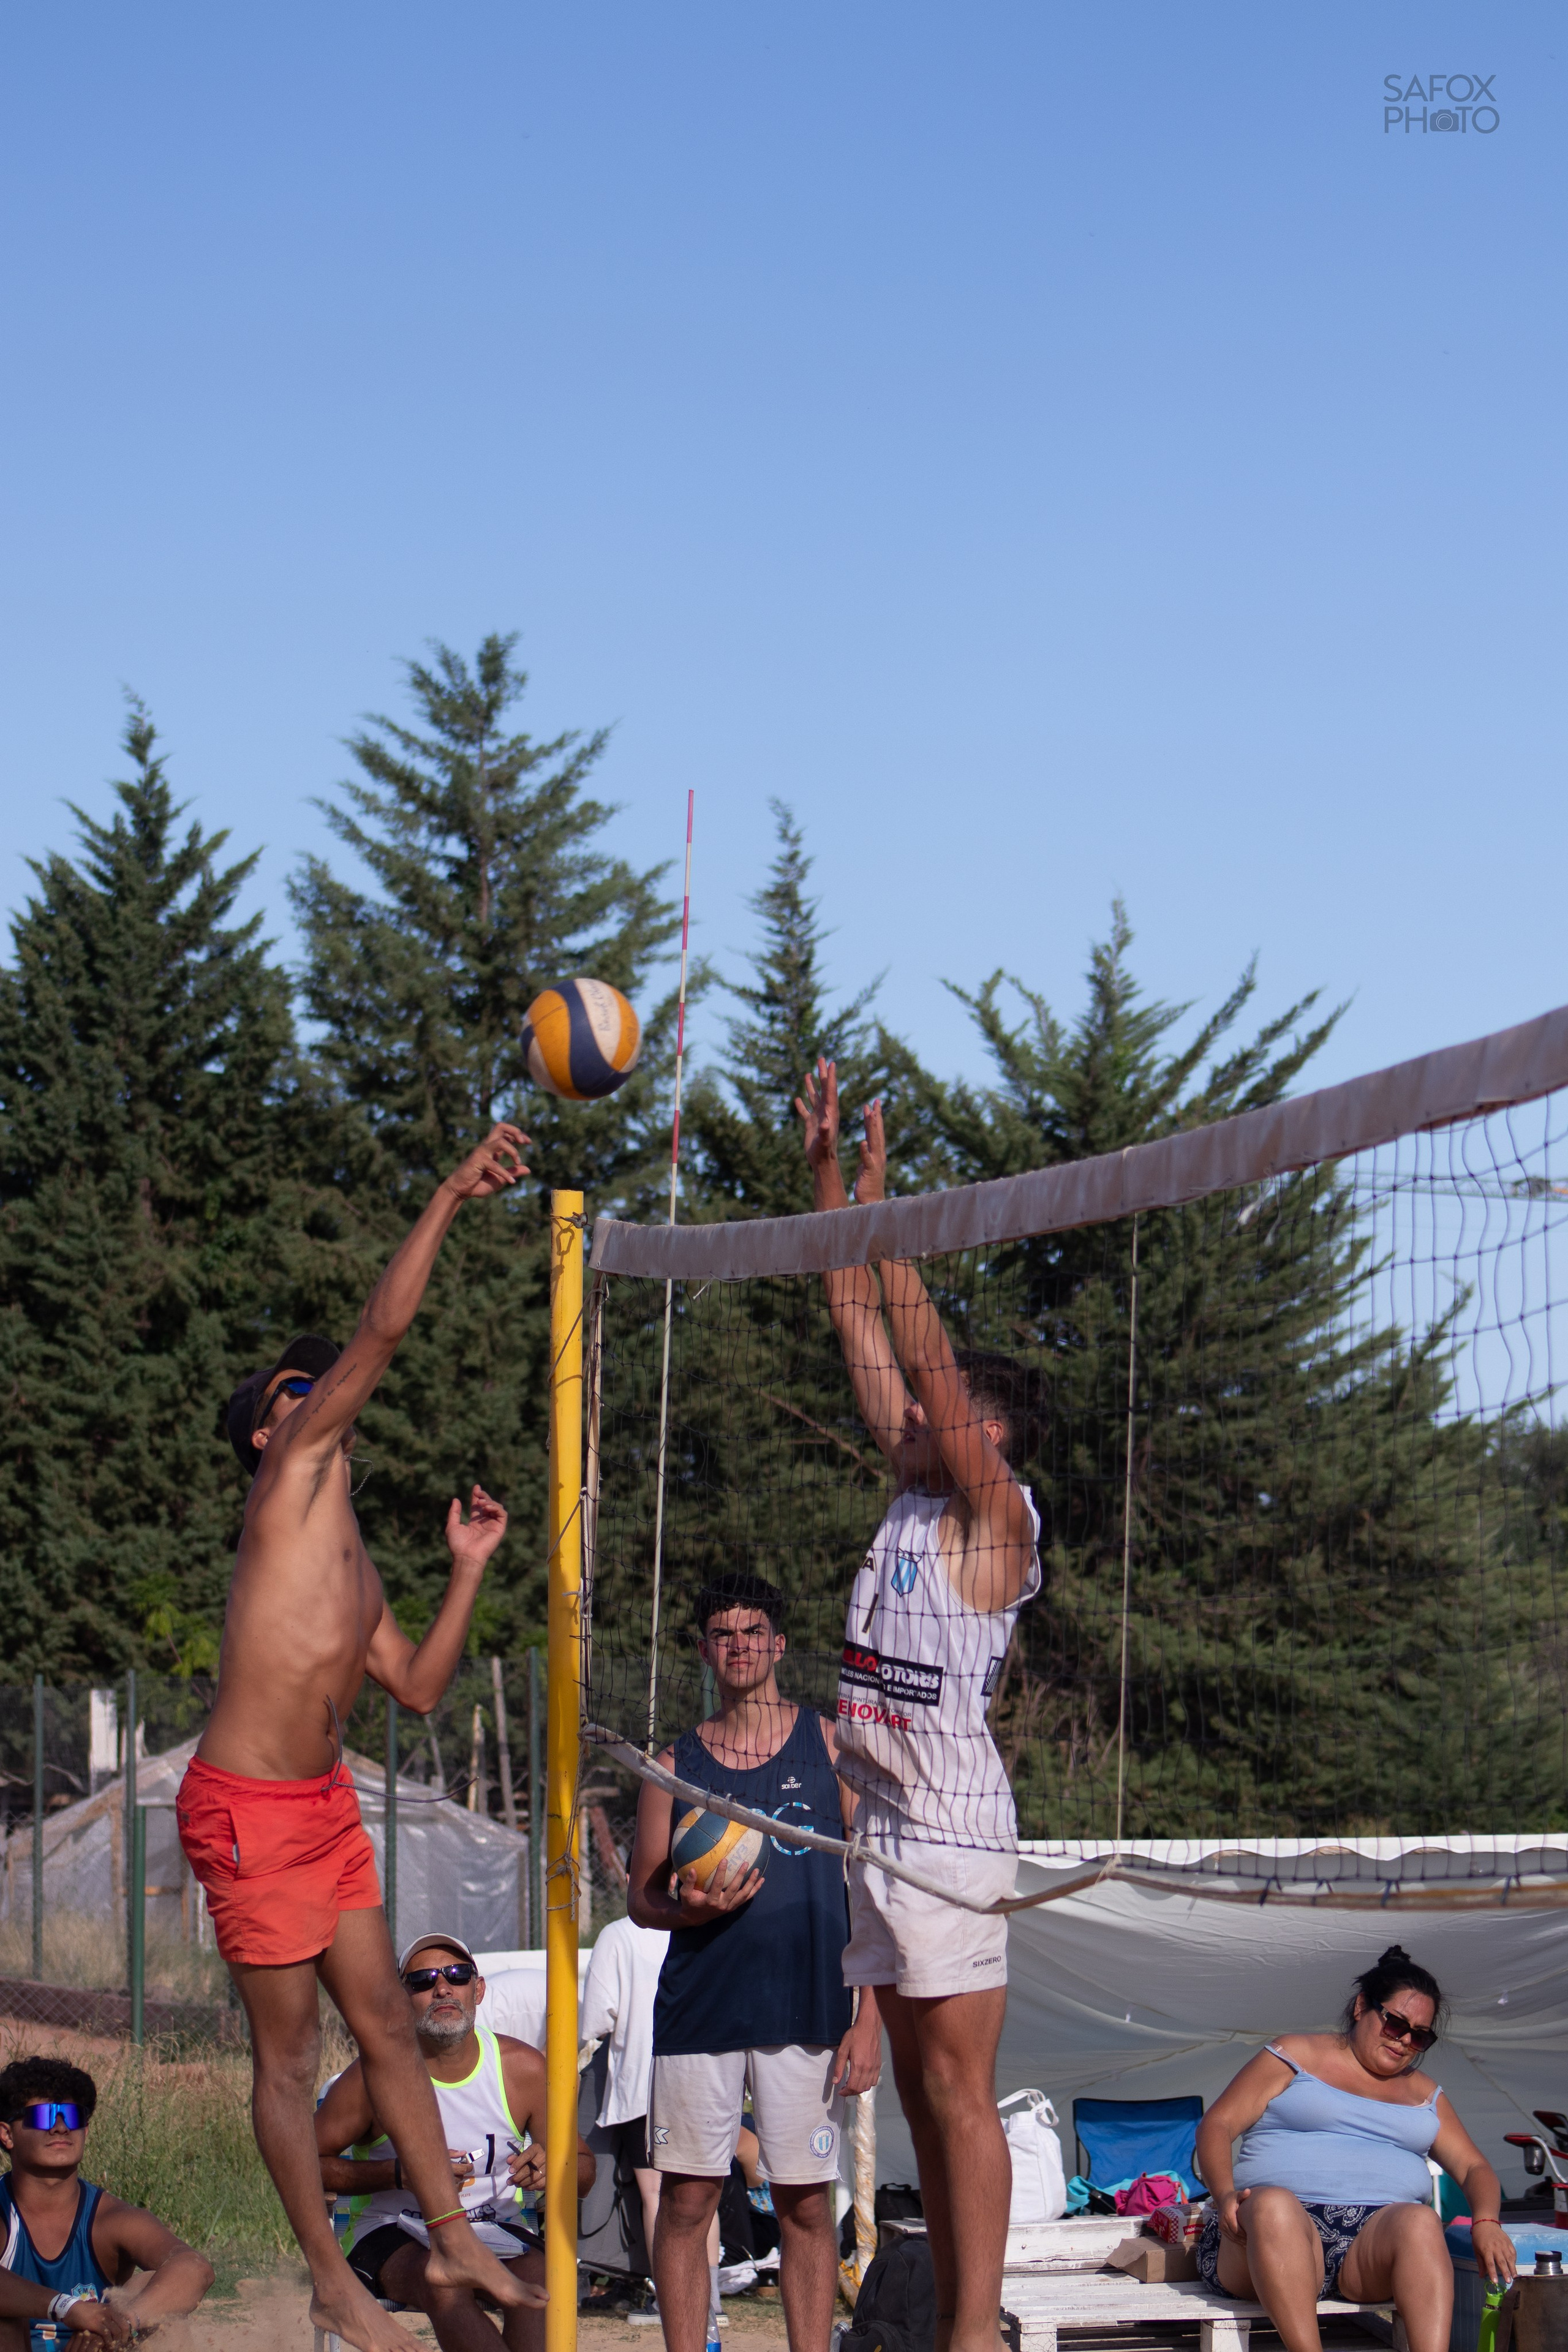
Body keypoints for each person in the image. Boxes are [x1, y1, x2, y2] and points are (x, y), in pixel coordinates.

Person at [176, 1121, 535, 2352]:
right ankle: (331, 2280)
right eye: (293, 1389)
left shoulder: (352, 1556)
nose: (314, 1390)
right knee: (288, 2065)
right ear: (267, 1435)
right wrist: (449, 1191)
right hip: (248, 1807)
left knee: (386, 2022)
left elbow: (421, 1689)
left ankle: (450, 2236)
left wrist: (467, 1571)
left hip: (321, 1803)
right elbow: (381, 1331)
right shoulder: (284, 1486)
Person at [797, 1060, 1044, 2352]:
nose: (897, 1419)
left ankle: (969, 2334)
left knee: (959, 2095)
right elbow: (859, 1324)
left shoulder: (994, 1520)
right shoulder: (905, 1500)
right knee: (914, 2086)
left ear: (983, 1442)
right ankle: (960, 2311)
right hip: (882, 1823)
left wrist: (899, 1233)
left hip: (951, 1826)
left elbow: (926, 1363)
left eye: (936, 1422)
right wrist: (837, 1181)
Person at [626, 1572, 882, 2352]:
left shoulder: (831, 1744)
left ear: (776, 1644)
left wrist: (870, 2017)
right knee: (687, 2199)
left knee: (807, 2204)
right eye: (722, 1635)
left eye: (751, 1632)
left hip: (807, 2007)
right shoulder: (673, 1763)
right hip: (701, 2007)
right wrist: (688, 1910)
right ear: (705, 1651)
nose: (738, 1646)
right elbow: (642, 1899)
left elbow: (874, 1884)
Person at [1193, 1944, 1517, 2352]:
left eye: (1420, 2036)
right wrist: (1225, 2197)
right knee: (1274, 2205)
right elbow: (1217, 2125)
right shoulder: (1295, 2055)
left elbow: (1473, 2168)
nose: (1404, 2041)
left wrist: (1486, 2221)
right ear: (1363, 2006)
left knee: (1421, 2221)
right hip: (1264, 2235)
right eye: (1395, 2024)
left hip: (1370, 2248)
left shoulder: (1425, 2094)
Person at [316, 1931, 595, 2352]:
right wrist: (397, 2174)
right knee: (443, 2280)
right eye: (423, 1980)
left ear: (478, 1989)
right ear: (401, 1997)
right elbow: (305, 2163)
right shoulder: (373, 2076)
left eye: (457, 1975)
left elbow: (585, 2170)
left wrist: (555, 2167)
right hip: (396, 2233)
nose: (442, 1988)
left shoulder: (521, 2069)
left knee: (541, 2284)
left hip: (494, 2227)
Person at [0, 2056, 214, 2348]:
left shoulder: (112, 2218)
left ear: (85, 2131)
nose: (61, 2128)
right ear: (7, 2134)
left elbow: (194, 2268)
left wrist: (118, 2326)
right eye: (43, 2116)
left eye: (73, 2117)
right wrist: (67, 2308)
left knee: (152, 2291)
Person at [580, 1911, 673, 2286]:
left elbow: (596, 2020)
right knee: (697, 2193)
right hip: (704, 2074)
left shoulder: (619, 1933)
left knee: (657, 2194)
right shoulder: (704, 1921)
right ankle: (709, 2302)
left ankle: (669, 2300)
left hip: (644, 2080)